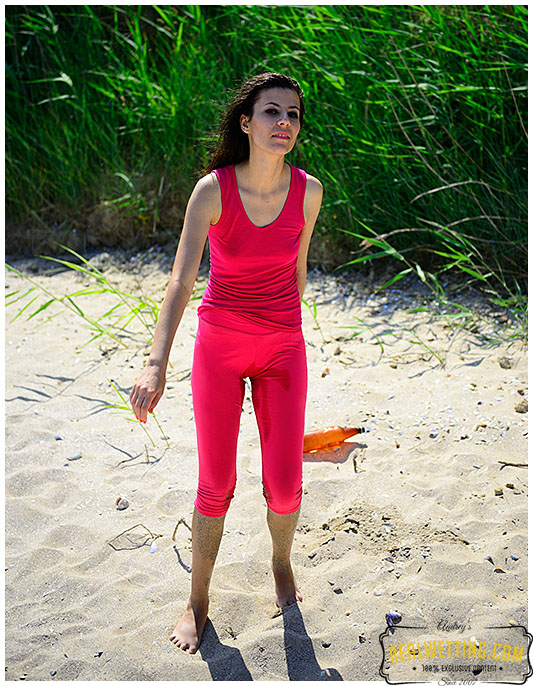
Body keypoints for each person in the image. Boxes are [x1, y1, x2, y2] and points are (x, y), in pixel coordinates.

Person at [129, 72, 324, 654]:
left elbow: (298, 268)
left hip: (283, 346)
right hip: (221, 343)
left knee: (285, 487)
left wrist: (289, 328)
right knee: (216, 483)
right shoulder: (212, 191)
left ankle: (281, 564)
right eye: (271, 112)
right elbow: (181, 279)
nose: (283, 123)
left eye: (293, 114)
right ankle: (197, 599)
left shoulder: (308, 191)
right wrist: (155, 363)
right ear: (246, 121)